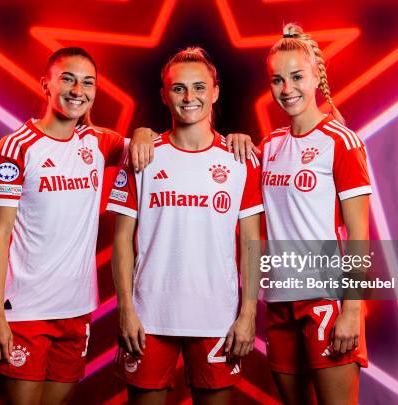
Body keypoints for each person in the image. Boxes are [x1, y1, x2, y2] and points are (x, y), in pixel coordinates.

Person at [0, 46, 154, 404]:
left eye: (88, 82)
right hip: (24, 312)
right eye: (68, 80)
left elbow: (148, 146)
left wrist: (141, 131)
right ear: (46, 84)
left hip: (76, 310)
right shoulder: (15, 149)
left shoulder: (96, 142)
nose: (78, 90)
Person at [107, 47, 263, 404]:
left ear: (215, 91)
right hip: (149, 319)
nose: (189, 97)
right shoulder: (143, 155)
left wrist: (248, 314)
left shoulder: (241, 160)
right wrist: (127, 311)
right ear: (164, 95)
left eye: (199, 87)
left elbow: (252, 243)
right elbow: (121, 241)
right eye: (178, 88)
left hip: (217, 320)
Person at [259, 24, 371, 405]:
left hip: (327, 298)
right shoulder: (269, 145)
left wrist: (352, 310)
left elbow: (359, 231)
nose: (287, 88)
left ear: (316, 77)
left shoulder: (341, 141)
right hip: (278, 298)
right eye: (277, 80)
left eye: (296, 77)